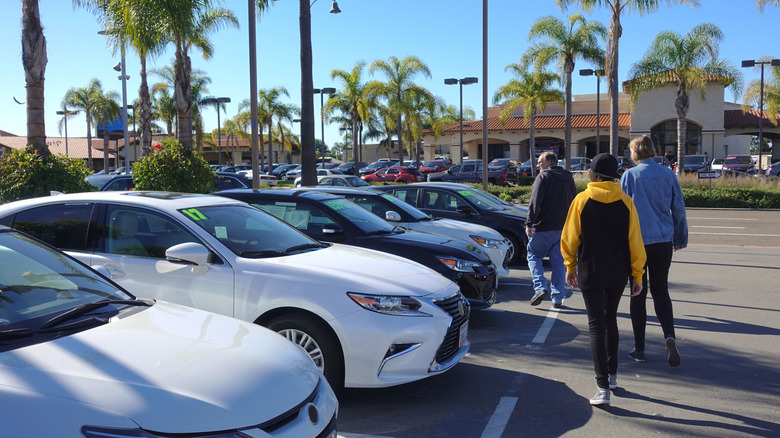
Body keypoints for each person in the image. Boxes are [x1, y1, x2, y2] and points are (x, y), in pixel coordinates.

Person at [561, 153, 646, 406]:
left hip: (590, 270)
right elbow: (636, 242)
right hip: (618, 272)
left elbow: (569, 239)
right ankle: (613, 376)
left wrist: (570, 266)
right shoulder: (626, 202)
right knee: (611, 322)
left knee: (596, 325)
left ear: (593, 173)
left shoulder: (582, 200)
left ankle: (602, 388)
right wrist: (638, 274)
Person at [621, 135, 688, 367]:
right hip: (662, 241)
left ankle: (639, 349)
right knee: (661, 290)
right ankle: (669, 335)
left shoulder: (630, 175)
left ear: (636, 152)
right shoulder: (668, 174)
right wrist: (679, 238)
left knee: (638, 292)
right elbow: (678, 209)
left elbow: (622, 210)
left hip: (637, 242)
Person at [526, 151, 577, 308]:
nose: (538, 165)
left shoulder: (543, 177)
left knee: (533, 255)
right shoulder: (568, 177)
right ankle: (557, 298)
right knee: (558, 263)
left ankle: (540, 287)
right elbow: (574, 201)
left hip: (543, 227)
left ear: (549, 162)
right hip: (563, 229)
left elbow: (535, 202)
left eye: (540, 162)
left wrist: (529, 223)